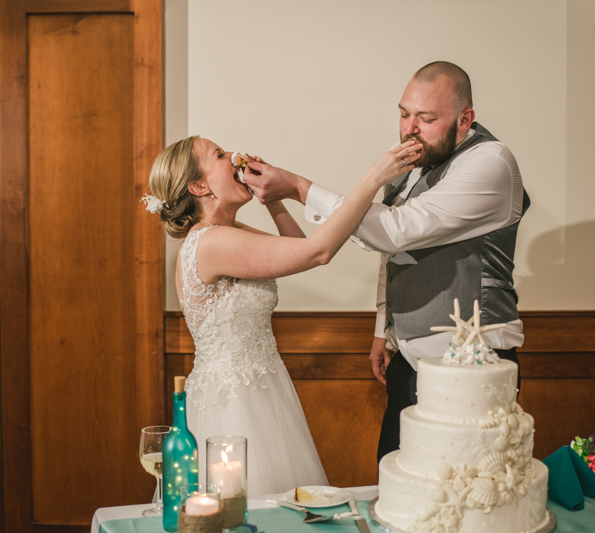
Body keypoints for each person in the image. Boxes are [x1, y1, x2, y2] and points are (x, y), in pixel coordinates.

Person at [242, 61, 530, 462]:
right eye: (403, 113)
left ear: (465, 119)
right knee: (396, 484)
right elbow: (395, 251)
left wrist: (298, 187)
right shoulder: (414, 167)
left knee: (461, 497)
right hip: (408, 359)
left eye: (426, 118)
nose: (409, 129)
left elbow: (396, 230)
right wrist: (385, 327)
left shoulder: (490, 163)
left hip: (472, 367)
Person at [143, 135, 422, 496]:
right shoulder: (211, 243)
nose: (233, 157)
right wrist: (372, 180)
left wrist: (273, 200)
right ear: (199, 185)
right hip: (235, 402)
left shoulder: (224, 234)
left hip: (262, 387)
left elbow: (295, 247)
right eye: (219, 155)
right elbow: (317, 252)